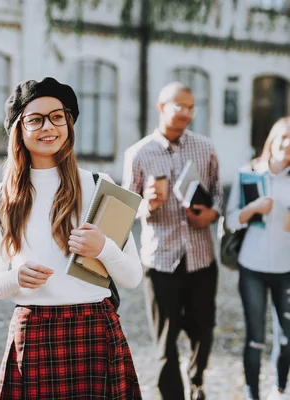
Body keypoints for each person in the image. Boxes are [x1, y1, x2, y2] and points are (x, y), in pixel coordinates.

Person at [0, 77, 143, 399]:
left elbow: (133, 276)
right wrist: (16, 278)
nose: (48, 127)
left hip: (95, 328)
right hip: (34, 329)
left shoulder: (99, 185)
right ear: (19, 130)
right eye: (35, 119)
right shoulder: (2, 197)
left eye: (57, 116)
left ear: (68, 123)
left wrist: (104, 248)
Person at [122, 81, 223, 400]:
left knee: (203, 331)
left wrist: (212, 214)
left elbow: (219, 193)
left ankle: (197, 379)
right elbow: (127, 206)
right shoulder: (138, 153)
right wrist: (146, 203)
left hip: (201, 257)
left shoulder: (205, 148)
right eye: (179, 106)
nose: (186, 113)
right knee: (165, 342)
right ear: (161, 106)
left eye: (191, 107)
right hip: (161, 261)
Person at [226, 117, 290, 400]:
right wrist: (252, 207)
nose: (288, 144)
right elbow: (230, 221)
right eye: (284, 137)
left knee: (287, 339)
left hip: (287, 268)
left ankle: (279, 387)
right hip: (252, 266)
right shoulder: (249, 173)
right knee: (255, 339)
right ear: (272, 139)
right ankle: (253, 394)